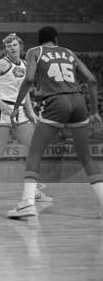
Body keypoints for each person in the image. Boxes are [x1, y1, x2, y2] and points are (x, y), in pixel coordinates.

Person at [7, 26, 103, 219]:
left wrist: (17, 105)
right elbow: (92, 80)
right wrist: (94, 112)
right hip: (78, 101)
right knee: (86, 157)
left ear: (40, 40)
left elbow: (29, 79)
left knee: (35, 151)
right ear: (56, 39)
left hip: (56, 101)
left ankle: (27, 203)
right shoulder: (69, 52)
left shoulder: (35, 51)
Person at [0, 34, 52, 205]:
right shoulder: (1, 64)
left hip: (21, 110)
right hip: (4, 109)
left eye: (14, 45)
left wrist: (30, 112)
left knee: (34, 147)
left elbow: (26, 91)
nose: (12, 48)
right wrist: (1, 105)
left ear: (20, 46)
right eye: (9, 46)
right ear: (5, 49)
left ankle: (32, 189)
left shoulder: (25, 64)